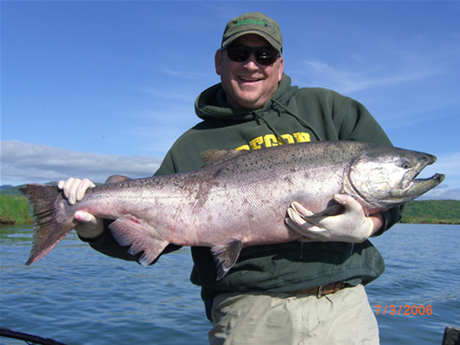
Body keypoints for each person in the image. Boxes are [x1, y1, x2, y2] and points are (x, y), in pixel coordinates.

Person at [59, 12, 402, 344]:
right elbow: (150, 243)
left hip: (343, 308)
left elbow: (395, 194)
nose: (252, 64)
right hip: (247, 313)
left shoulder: (330, 110)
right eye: (239, 54)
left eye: (264, 55)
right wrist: (95, 231)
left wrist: (367, 228)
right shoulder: (192, 144)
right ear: (219, 62)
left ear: (279, 66)